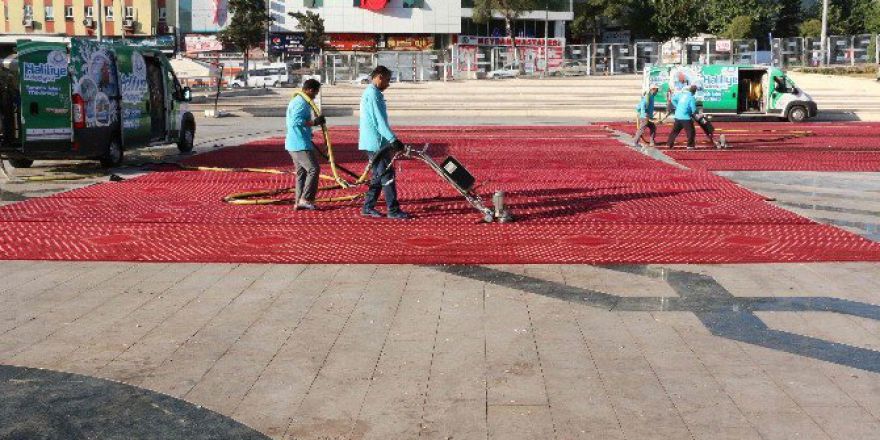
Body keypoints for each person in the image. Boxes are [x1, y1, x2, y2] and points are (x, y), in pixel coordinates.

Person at [359, 66, 409, 220]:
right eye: (387, 80)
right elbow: (379, 122)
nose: (388, 84)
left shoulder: (374, 93)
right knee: (387, 175)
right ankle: (393, 210)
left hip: (377, 142)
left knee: (378, 175)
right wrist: (394, 140)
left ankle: (368, 206)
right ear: (379, 77)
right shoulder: (372, 95)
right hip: (376, 143)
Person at [286, 79, 326, 211]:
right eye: (315, 92)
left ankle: (299, 201)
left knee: (301, 172)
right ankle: (306, 198)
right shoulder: (302, 102)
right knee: (313, 169)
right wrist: (314, 123)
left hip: (294, 143)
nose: (315, 95)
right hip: (299, 144)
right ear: (309, 90)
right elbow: (295, 121)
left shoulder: (298, 100)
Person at [667, 84, 698, 150]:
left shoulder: (681, 95)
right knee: (691, 132)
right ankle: (690, 146)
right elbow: (693, 110)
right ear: (694, 91)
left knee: (675, 131)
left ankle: (669, 143)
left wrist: (677, 106)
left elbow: (672, 99)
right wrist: (696, 114)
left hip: (677, 116)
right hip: (685, 117)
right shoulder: (692, 97)